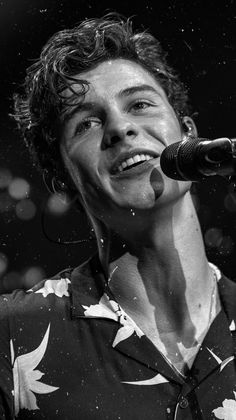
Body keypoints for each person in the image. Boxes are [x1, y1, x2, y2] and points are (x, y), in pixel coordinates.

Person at [1, 13, 236, 420]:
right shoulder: (10, 335)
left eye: (140, 104)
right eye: (87, 123)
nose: (121, 127)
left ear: (188, 134)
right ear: (63, 181)